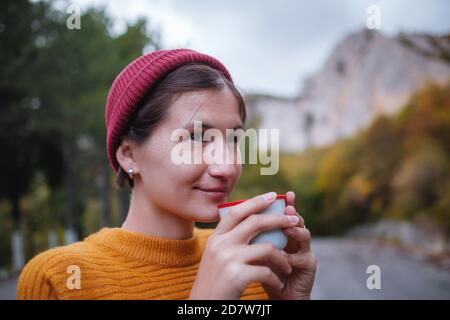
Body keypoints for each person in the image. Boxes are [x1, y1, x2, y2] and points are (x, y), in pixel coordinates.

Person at [17, 49, 316, 300]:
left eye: (233, 139)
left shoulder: (252, 261)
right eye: (197, 137)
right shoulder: (58, 280)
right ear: (129, 154)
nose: (226, 166)